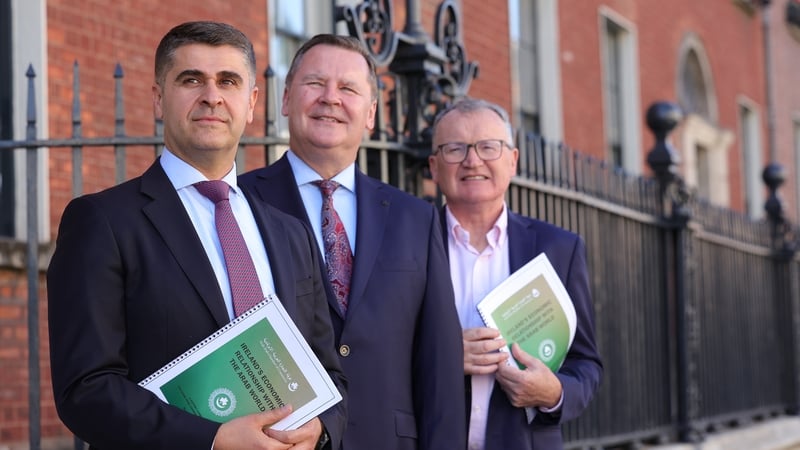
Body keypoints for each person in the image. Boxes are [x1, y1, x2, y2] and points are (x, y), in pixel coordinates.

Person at [47, 21, 346, 450]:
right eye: (191, 80)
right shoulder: (103, 222)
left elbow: (328, 372)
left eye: (228, 81)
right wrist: (212, 440)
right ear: (158, 98)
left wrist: (319, 429)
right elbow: (85, 389)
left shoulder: (291, 232)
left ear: (251, 103)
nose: (212, 95)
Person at [239, 34, 466, 450]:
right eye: (315, 84)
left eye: (348, 88)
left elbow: (441, 368)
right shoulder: (238, 204)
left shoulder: (416, 218)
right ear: (286, 99)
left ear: (370, 114)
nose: (330, 98)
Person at [428, 98, 603, 450]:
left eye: (488, 147)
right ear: (434, 166)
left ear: (513, 161)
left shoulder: (558, 249)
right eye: (455, 149)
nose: (472, 160)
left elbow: (586, 364)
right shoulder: (407, 242)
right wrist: (445, 355)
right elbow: (381, 353)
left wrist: (554, 392)